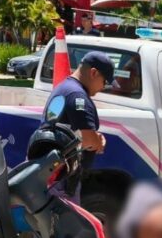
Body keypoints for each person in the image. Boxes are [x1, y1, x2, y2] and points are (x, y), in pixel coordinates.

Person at [43, 51, 113, 200]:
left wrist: (94, 137)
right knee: (66, 222)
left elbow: (67, 129)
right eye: (104, 81)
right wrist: (97, 141)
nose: (103, 87)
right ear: (94, 73)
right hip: (62, 179)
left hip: (51, 172)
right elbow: (89, 141)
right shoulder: (78, 96)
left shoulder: (65, 88)